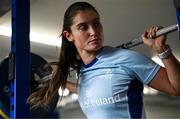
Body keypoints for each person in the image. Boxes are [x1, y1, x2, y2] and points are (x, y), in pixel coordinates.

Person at [28, 1, 180, 119]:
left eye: (96, 24)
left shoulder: (126, 59)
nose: (94, 32)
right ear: (69, 35)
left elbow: (176, 88)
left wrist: (162, 49)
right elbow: (92, 91)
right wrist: (60, 82)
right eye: (83, 27)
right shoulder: (83, 72)